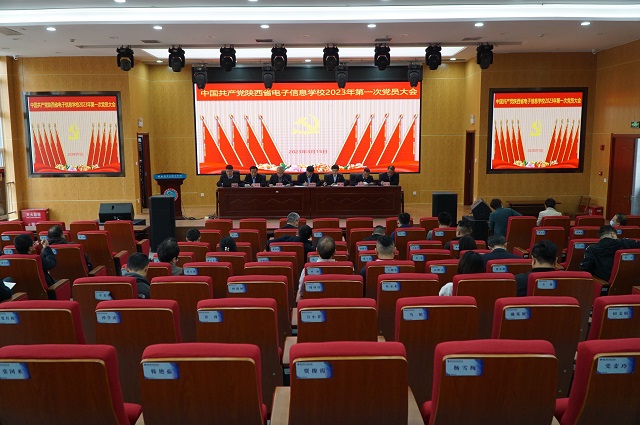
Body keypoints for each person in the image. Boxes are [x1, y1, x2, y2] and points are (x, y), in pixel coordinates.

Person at [297, 236, 336, 302]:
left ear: (316, 251)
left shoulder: (307, 269)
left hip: (313, 303)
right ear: (335, 252)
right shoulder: (346, 269)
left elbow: (301, 292)